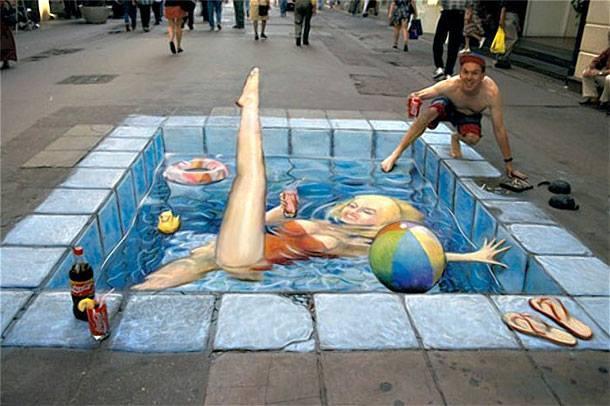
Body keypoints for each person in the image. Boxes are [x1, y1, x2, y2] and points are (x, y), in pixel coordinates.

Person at [133, 68, 510, 291]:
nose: (355, 210)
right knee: (152, 287)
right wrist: (282, 214)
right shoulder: (325, 225)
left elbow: (415, 254)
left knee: (251, 178)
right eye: (357, 204)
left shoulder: (354, 246)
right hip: (223, 249)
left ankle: (250, 109)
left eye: (368, 213)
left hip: (245, 258)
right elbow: (260, 224)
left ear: (381, 228)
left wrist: (472, 257)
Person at [381, 53, 527, 180]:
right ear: (460, 73)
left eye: (475, 73)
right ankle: (395, 155)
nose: (469, 78)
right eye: (465, 72)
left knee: (473, 139)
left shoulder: (491, 93)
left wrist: (509, 163)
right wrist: (415, 97)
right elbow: (423, 93)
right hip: (448, 106)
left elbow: (499, 129)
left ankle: (456, 137)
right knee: (429, 114)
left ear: (482, 76)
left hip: (468, 115)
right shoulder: (451, 84)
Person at [432, 0, 473, 81]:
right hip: (456, 13)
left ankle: (442, 68)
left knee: (442, 41)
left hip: (450, 12)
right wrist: (469, 11)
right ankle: (446, 70)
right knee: (451, 44)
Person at [579, 32, 610, 115]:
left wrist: (600, 73)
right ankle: (592, 97)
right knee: (586, 73)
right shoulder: (608, 50)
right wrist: (591, 67)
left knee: (609, 78)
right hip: (605, 75)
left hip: (607, 76)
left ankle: (605, 101)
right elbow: (598, 59)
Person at [494, 0, 524, 69]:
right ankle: (502, 55)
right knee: (512, 38)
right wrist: (501, 19)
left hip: (511, 17)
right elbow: (504, 7)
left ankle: (502, 56)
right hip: (510, 17)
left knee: (509, 38)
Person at [0, 0, 17, 70]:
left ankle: (5, 61)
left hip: (3, 28)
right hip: (3, 28)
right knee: (5, 44)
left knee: (4, 45)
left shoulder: (4, 4)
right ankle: (5, 61)